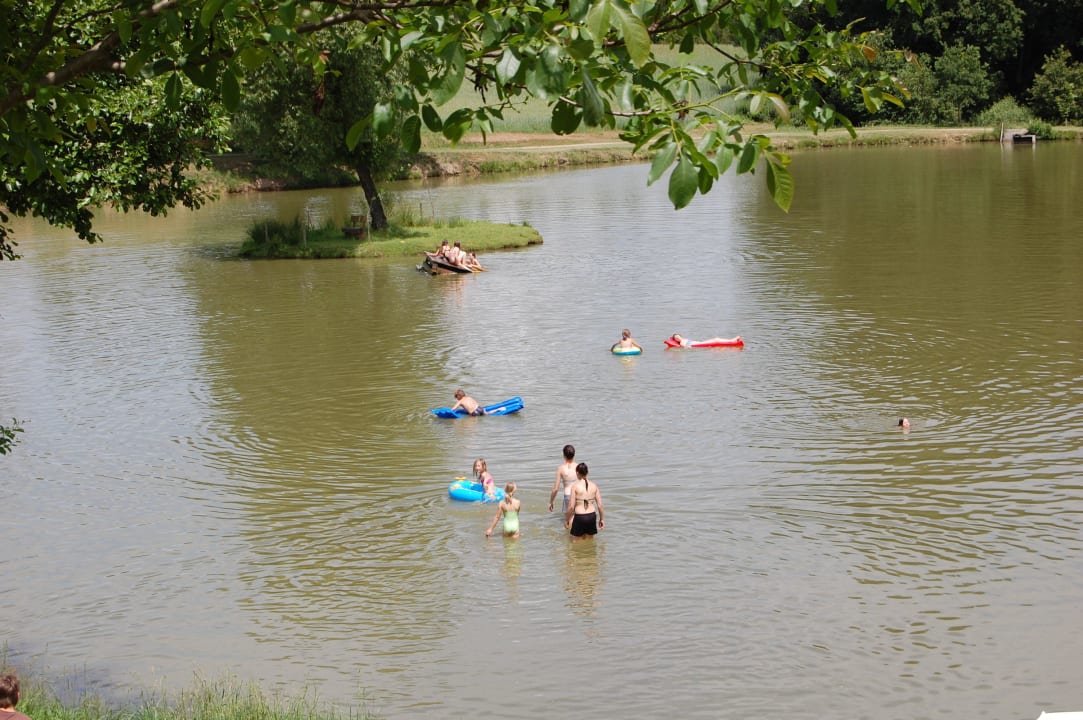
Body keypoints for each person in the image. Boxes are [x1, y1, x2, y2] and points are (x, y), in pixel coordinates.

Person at [565, 462, 604, 541]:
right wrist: (601, 519)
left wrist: (567, 520)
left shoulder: (575, 486)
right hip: (592, 516)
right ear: (587, 472)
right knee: (590, 542)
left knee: (575, 543)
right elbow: (600, 505)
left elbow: (571, 506)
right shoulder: (594, 486)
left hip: (580, 517)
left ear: (577, 473)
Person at [549, 444, 579, 515]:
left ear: (564, 456)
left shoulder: (561, 468)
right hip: (579, 495)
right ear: (574, 454)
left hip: (568, 495)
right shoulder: (578, 467)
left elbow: (556, 489)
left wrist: (551, 502)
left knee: (568, 522)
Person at [670, 333, 742, 347]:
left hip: (700, 343)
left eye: (678, 336)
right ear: (676, 340)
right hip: (699, 345)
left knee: (716, 339)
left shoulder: (684, 339)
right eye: (676, 338)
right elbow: (687, 347)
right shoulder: (682, 342)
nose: (678, 337)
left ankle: (732, 341)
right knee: (716, 339)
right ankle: (732, 341)